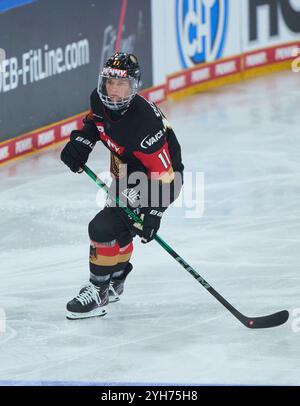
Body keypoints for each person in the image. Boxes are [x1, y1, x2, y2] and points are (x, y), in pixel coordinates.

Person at [61, 52, 184, 320]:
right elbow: (95, 124)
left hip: (156, 177)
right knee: (119, 227)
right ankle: (115, 281)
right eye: (109, 83)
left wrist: (154, 211)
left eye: (122, 84)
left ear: (134, 86)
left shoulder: (144, 126)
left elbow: (167, 178)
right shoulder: (99, 100)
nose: (113, 90)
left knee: (102, 227)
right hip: (127, 167)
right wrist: (81, 143)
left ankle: (99, 291)